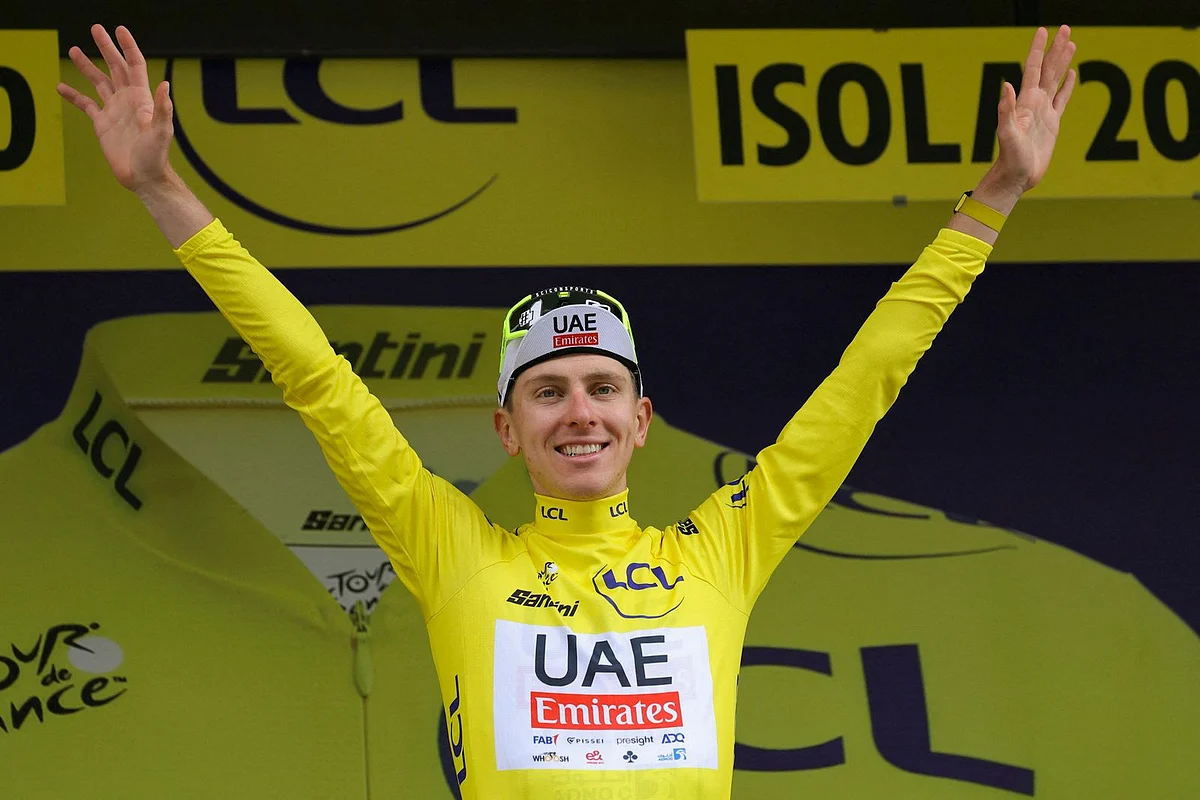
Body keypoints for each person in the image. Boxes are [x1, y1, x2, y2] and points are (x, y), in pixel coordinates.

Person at [58, 23, 1077, 800]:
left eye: (601, 387)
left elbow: (864, 383)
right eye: (547, 391)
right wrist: (161, 191)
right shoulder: (455, 551)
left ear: (643, 418)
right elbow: (315, 376)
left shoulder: (717, 554)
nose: (578, 411)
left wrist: (993, 197)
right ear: (507, 430)